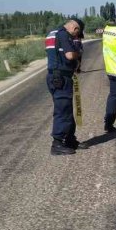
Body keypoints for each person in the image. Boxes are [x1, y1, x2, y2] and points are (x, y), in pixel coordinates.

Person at [46, 20, 83, 155]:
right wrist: (78, 52)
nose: (75, 36)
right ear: (74, 28)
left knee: (66, 109)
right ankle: (57, 143)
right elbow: (70, 55)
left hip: (54, 76)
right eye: (76, 33)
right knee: (62, 111)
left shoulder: (52, 33)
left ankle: (69, 139)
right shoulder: (63, 34)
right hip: (61, 77)